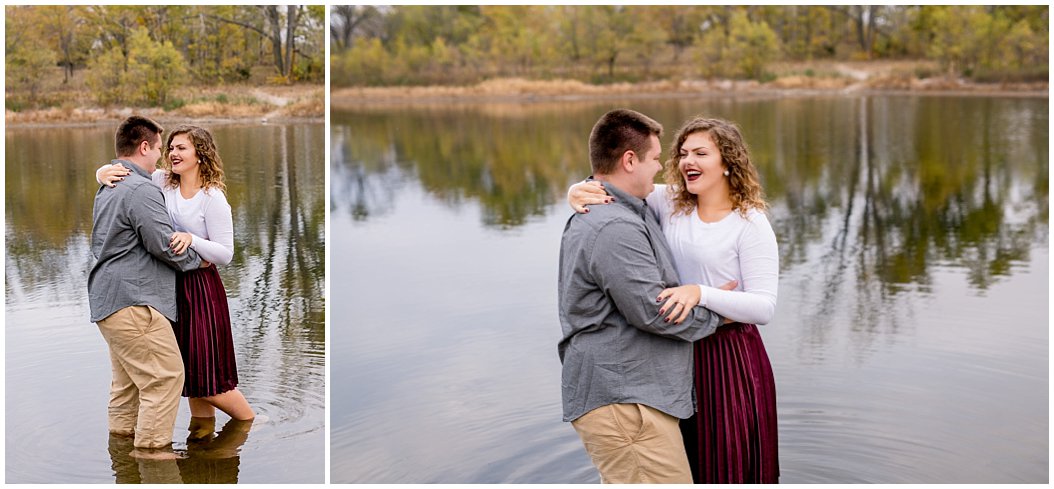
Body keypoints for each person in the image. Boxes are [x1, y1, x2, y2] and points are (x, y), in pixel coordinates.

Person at [569, 116, 780, 483]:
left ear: (728, 161)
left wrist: (700, 293)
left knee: (728, 461)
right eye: (683, 154)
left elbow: (763, 306)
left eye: (701, 153)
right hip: (676, 350)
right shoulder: (669, 202)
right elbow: (613, 184)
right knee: (683, 462)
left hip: (729, 356)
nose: (687, 162)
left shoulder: (750, 222)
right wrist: (576, 189)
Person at [97, 124, 255, 440]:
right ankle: (202, 438)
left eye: (181, 148)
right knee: (191, 377)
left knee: (209, 379)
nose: (172, 153)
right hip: (172, 288)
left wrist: (192, 239)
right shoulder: (163, 182)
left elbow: (225, 253)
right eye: (170, 147)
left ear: (201, 154)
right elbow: (123, 171)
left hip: (201, 288)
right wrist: (101, 174)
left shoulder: (212, 198)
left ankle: (249, 422)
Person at [88, 115, 207, 459]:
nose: (160, 156)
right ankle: (153, 461)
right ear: (144, 147)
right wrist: (201, 261)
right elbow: (163, 243)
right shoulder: (140, 189)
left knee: (127, 387)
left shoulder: (109, 184)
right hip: (134, 302)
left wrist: (100, 170)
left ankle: (124, 461)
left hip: (108, 301)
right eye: (158, 148)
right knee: (165, 378)